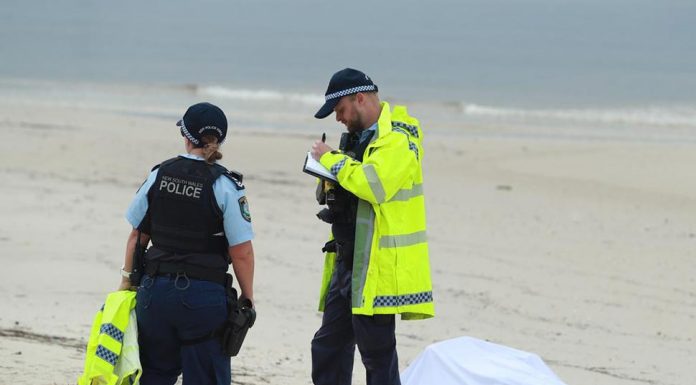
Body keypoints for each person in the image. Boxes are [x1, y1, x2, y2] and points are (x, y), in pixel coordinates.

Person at [309, 68, 435, 385]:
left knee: (376, 355)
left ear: (360, 98)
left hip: (377, 266)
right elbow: (347, 187)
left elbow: (374, 186)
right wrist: (328, 183)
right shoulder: (354, 138)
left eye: (340, 110)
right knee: (328, 346)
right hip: (347, 258)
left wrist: (331, 161)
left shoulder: (399, 139)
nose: (337, 119)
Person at [118, 102, 255, 385]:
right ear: (220, 141)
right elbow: (241, 252)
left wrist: (126, 283)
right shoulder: (227, 186)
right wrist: (247, 297)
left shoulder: (159, 174)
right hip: (203, 301)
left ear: (186, 136)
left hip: (155, 294)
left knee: (152, 375)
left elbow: (137, 236)